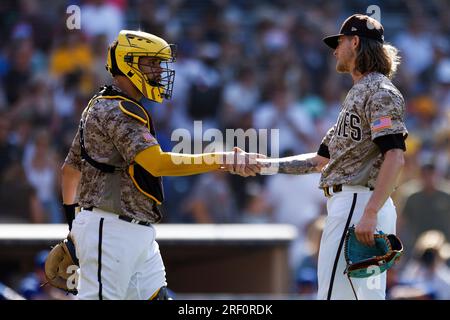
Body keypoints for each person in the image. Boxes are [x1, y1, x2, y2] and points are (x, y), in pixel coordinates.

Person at [61, 30, 260, 300]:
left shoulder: (105, 106)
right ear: (128, 61)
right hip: (109, 229)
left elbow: (70, 170)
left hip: (134, 231)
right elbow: (156, 163)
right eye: (151, 63)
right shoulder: (116, 109)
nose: (159, 70)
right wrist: (220, 159)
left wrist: (73, 225)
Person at [253, 14, 408, 300]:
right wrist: (263, 165)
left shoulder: (379, 90)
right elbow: (319, 160)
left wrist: (370, 212)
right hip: (359, 204)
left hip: (357, 204)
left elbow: (395, 155)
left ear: (356, 42)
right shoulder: (359, 93)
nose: (335, 50)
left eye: (340, 42)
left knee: (333, 297)